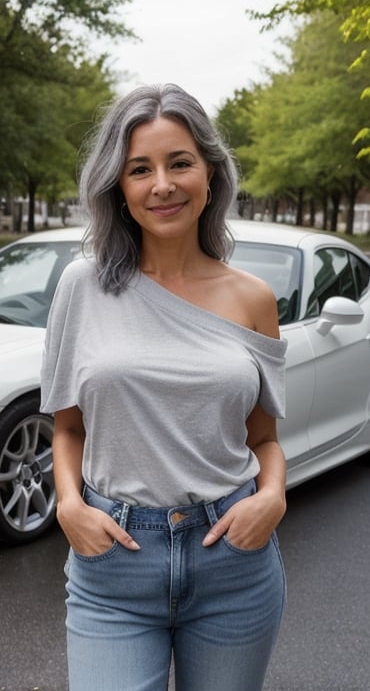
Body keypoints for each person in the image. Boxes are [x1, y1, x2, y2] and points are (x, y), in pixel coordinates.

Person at [40, 83, 287, 691]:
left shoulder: (252, 298)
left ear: (210, 172)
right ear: (118, 189)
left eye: (180, 163)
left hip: (233, 560)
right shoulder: (83, 285)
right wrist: (69, 506)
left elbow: (265, 440)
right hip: (113, 565)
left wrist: (273, 498)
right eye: (139, 169)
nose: (162, 185)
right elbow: (67, 427)